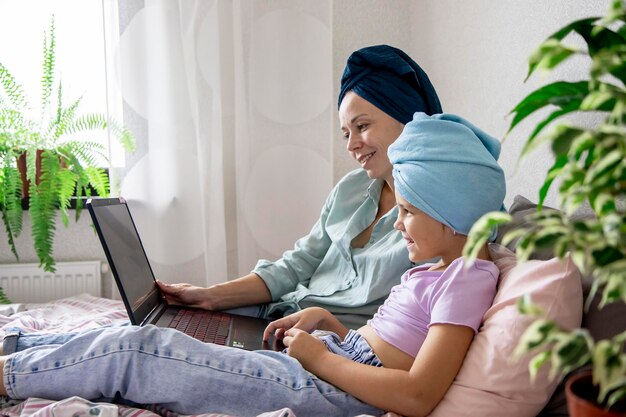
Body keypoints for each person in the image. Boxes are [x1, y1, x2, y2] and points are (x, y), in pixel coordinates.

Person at [0, 112, 506, 417]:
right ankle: (15, 349)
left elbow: (417, 394)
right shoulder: (438, 267)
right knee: (144, 336)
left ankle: (11, 375)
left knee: (142, 350)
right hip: (335, 361)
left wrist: (321, 359)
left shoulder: (466, 278)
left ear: (451, 213)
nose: (399, 223)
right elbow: (391, 341)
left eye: (411, 212)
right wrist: (328, 328)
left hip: (338, 390)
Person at [157, 44, 443, 329]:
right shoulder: (351, 189)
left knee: (137, 347)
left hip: (321, 343)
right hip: (279, 312)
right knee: (169, 324)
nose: (351, 145)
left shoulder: (440, 214)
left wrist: (323, 335)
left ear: (409, 118)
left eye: (362, 126)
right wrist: (207, 297)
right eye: (346, 133)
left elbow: (405, 331)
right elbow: (298, 264)